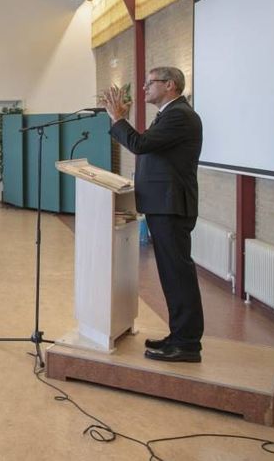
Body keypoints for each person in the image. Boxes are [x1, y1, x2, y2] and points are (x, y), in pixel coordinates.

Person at [104, 66, 204, 363]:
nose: (145, 88)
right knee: (171, 275)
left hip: (171, 207)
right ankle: (178, 335)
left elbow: (141, 144)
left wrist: (118, 119)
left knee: (178, 275)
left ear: (170, 85)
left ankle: (187, 344)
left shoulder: (179, 115)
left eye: (150, 83)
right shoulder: (170, 114)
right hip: (164, 205)